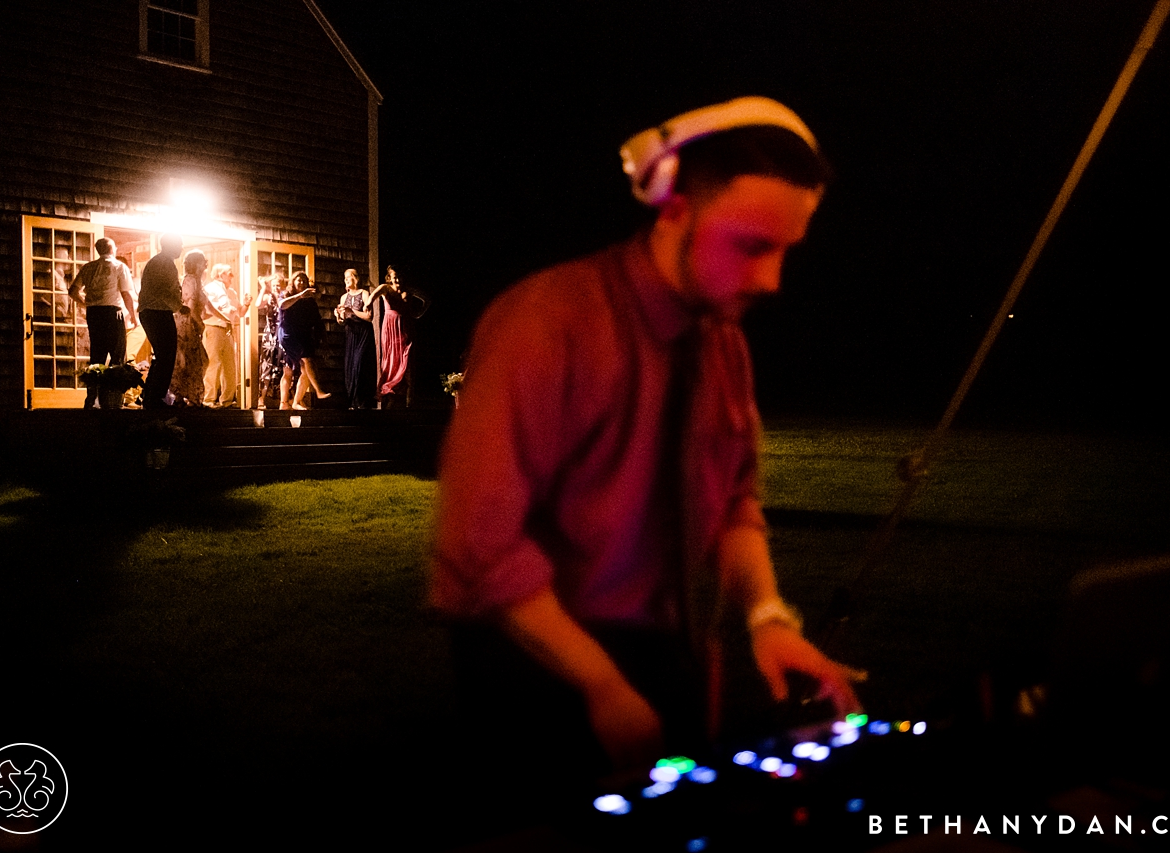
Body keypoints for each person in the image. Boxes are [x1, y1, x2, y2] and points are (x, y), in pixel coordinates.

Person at [431, 98, 864, 785]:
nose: (771, 279)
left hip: (669, 656)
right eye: (752, 245)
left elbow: (734, 502)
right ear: (672, 209)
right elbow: (479, 550)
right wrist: (601, 684)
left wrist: (767, 617)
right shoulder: (547, 323)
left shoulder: (723, 340)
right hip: (538, 668)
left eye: (786, 251)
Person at [67, 237, 136, 409]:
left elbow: (73, 290)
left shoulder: (88, 267)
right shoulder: (120, 266)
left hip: (94, 313)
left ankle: (91, 398)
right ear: (112, 248)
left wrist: (87, 303)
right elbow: (126, 294)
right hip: (113, 312)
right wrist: (133, 316)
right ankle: (113, 399)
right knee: (117, 354)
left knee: (96, 355)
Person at [138, 234, 184, 409]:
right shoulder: (164, 263)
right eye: (179, 244)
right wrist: (179, 306)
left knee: (162, 355)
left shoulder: (159, 261)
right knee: (167, 355)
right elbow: (162, 290)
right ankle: (155, 398)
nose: (181, 247)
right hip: (157, 312)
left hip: (153, 311)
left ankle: (150, 394)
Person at [201, 263, 251, 408]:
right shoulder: (210, 289)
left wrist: (246, 305)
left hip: (228, 329)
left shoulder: (232, 293)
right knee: (213, 363)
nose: (232, 276)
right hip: (214, 327)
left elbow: (240, 313)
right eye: (229, 273)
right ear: (220, 275)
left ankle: (227, 400)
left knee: (230, 365)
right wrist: (225, 312)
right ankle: (208, 400)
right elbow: (206, 309)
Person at [277, 271, 329, 409]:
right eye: (298, 280)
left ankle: (297, 401)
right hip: (289, 336)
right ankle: (285, 401)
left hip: (303, 336)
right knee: (290, 369)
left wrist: (322, 339)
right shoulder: (286, 295)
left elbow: (317, 321)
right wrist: (299, 296)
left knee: (307, 369)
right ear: (292, 282)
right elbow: (282, 305)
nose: (301, 282)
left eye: (304, 281)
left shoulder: (310, 302)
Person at [168, 249, 209, 407]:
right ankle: (185, 396)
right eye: (203, 261)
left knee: (195, 360)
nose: (206, 264)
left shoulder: (197, 281)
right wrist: (199, 324)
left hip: (191, 321)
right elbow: (190, 307)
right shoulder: (191, 280)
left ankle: (188, 396)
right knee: (191, 360)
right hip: (187, 323)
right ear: (197, 263)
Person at [371, 266, 416, 407]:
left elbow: (427, 299)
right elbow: (374, 295)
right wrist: (368, 303)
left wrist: (418, 313)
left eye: (399, 276)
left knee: (405, 357)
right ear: (389, 277)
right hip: (390, 328)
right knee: (390, 359)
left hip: (403, 327)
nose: (397, 279)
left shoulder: (407, 291)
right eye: (394, 276)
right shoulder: (386, 288)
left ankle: (407, 397)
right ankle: (389, 392)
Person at [336, 268, 376, 409]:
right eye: (345, 278)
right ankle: (353, 402)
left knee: (360, 364)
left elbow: (369, 317)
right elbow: (342, 321)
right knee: (350, 367)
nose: (346, 280)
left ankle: (363, 401)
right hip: (350, 333)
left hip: (363, 332)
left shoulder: (364, 294)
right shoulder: (343, 297)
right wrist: (339, 315)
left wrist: (352, 311)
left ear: (355, 278)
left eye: (349, 277)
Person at [255, 270, 287, 409]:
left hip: (283, 333)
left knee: (282, 364)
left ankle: (283, 398)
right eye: (273, 285)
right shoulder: (268, 297)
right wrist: (263, 288)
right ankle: (261, 398)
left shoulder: (285, 297)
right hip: (270, 334)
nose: (276, 287)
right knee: (267, 364)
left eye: (278, 285)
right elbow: (257, 305)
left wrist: (278, 294)